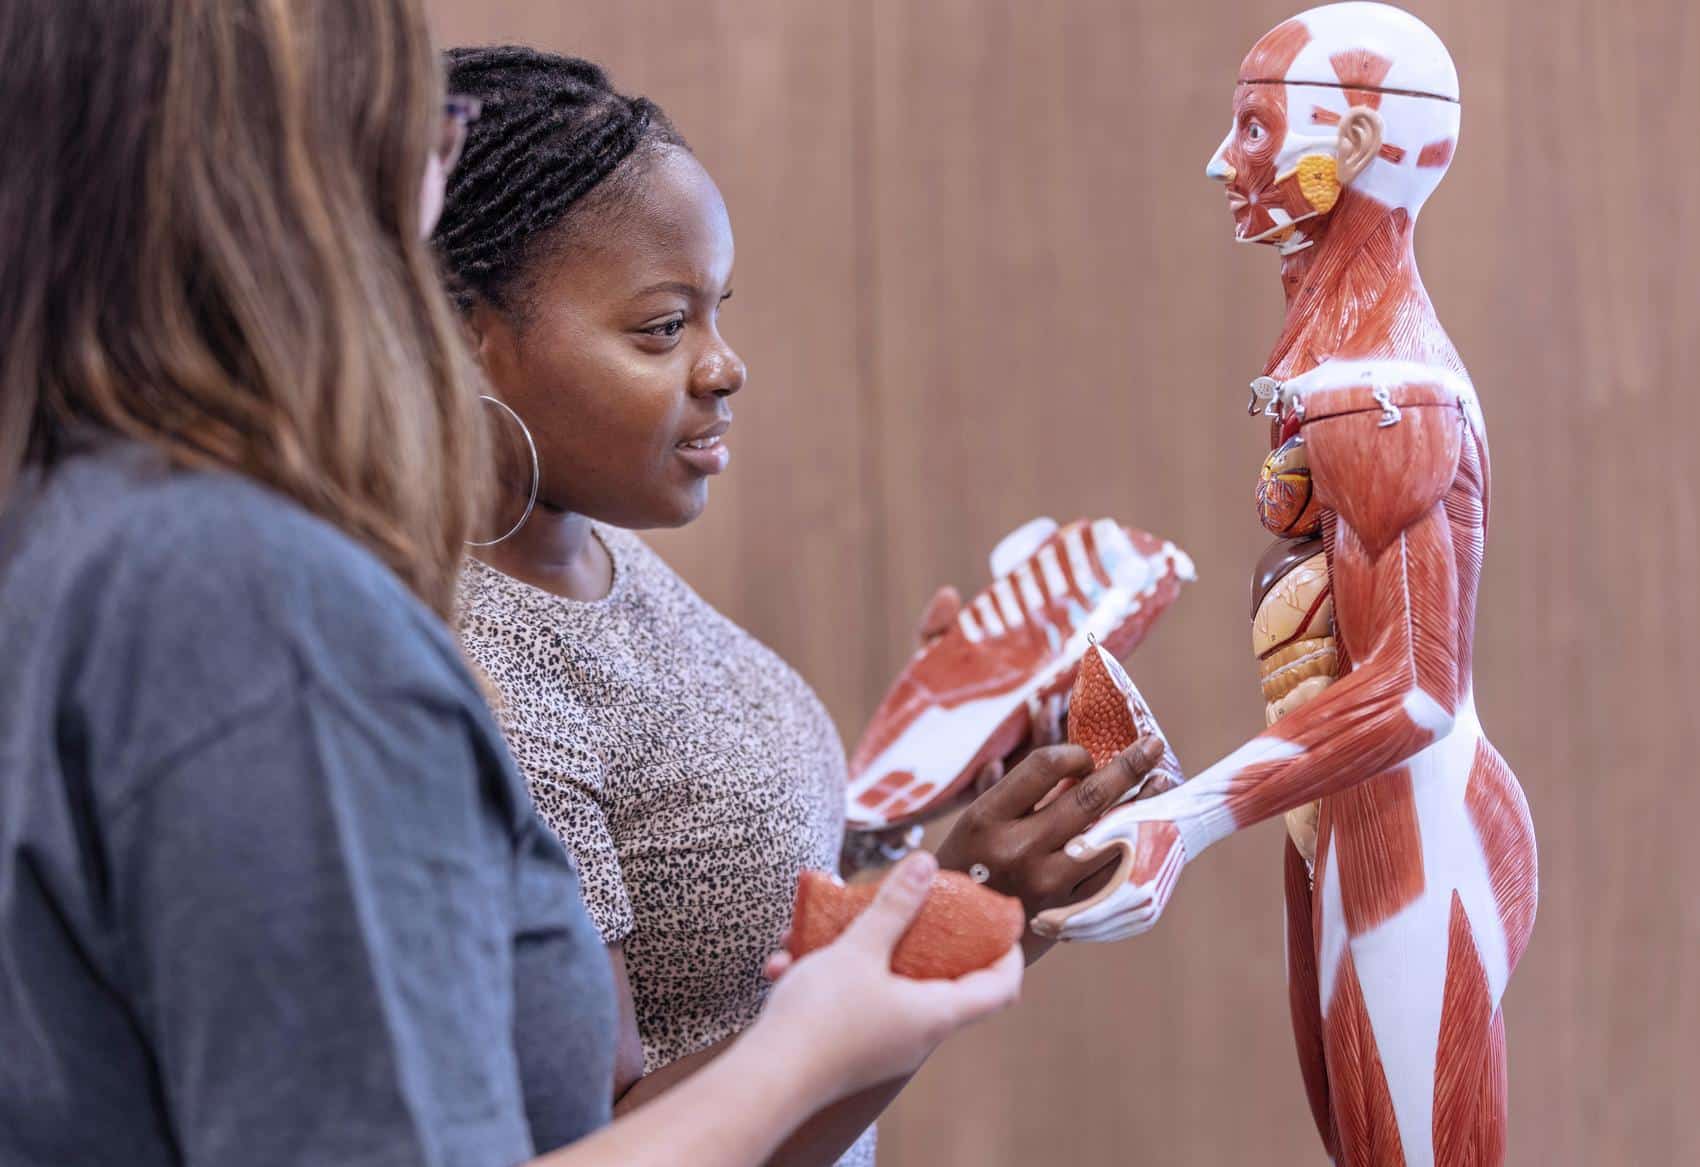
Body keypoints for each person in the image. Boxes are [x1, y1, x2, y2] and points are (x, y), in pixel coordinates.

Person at [0, 2, 1021, 1165]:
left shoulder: (78, 528)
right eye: (417, 144)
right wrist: (812, 1048)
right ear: (295, 193)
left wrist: (907, 857)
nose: (431, 185)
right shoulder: (268, 614)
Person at [434, 47, 1166, 1166]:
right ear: (465, 341)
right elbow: (605, 1144)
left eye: (717, 313)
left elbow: (728, 922)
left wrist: (935, 783)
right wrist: (953, 916)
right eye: (661, 328)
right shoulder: (483, 670)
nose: (724, 368)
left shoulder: (589, 552)